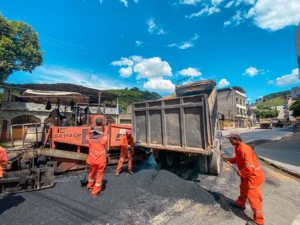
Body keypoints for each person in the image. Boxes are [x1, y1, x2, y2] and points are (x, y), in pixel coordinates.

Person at [224, 133, 265, 225]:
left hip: (253, 177)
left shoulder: (244, 149)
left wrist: (241, 173)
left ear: (237, 139)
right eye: (229, 139)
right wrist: (229, 160)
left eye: (231, 140)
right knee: (243, 189)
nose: (230, 141)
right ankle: (240, 204)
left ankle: (259, 221)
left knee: (254, 198)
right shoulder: (237, 147)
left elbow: (250, 168)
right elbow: (239, 159)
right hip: (246, 176)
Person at [85, 118, 107, 197]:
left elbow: (87, 135)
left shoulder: (90, 140)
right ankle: (95, 192)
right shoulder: (102, 139)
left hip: (91, 160)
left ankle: (90, 186)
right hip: (100, 161)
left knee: (91, 173)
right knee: (99, 175)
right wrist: (104, 127)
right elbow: (105, 135)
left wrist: (90, 128)